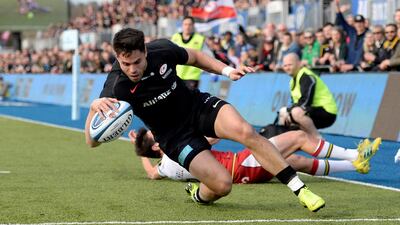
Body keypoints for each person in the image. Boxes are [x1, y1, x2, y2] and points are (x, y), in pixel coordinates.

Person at [85, 28, 325, 212]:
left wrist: (227, 71)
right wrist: (93, 108)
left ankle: (300, 190)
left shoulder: (162, 50)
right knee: (222, 185)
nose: (133, 69)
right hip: (174, 137)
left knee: (246, 132)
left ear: (145, 51)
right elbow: (92, 142)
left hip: (196, 107)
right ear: (117, 57)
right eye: (126, 63)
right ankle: (198, 195)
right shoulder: (116, 85)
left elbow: (196, 57)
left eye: (137, 62)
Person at [130, 127, 381, 183]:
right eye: (154, 134)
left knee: (295, 161)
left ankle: (354, 166)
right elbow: (214, 137)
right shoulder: (177, 152)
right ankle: (354, 152)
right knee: (298, 138)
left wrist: (139, 151)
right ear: (156, 146)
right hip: (243, 163)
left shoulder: (165, 165)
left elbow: (152, 173)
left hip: (243, 174)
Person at [280, 53, 337, 139]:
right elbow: (296, 102)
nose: (287, 68)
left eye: (290, 65)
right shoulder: (292, 81)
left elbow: (305, 102)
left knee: (296, 113)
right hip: (312, 110)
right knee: (284, 118)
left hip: (326, 112)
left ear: (299, 63)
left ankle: (319, 139)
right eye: (285, 65)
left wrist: (288, 110)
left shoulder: (306, 76)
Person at [171, 16, 206, 90]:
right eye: (185, 24)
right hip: (176, 75)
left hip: (192, 76)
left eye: (189, 24)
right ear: (182, 25)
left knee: (190, 100)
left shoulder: (200, 39)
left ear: (193, 26)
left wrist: (213, 72)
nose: (187, 27)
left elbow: (208, 56)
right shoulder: (175, 37)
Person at [334, 0, 368, 72]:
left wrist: (353, 65)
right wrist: (336, 5)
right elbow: (340, 19)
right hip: (347, 67)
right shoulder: (351, 32)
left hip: (360, 69)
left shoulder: (368, 34)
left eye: (361, 22)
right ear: (354, 24)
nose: (359, 25)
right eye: (356, 23)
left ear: (364, 23)